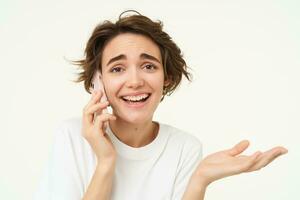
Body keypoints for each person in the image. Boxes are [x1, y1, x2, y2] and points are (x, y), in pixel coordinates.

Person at [34, 10, 288, 200]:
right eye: (118, 68)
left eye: (148, 66)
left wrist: (199, 180)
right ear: (98, 81)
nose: (134, 81)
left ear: (166, 77)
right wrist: (106, 161)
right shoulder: (72, 137)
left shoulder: (184, 148)